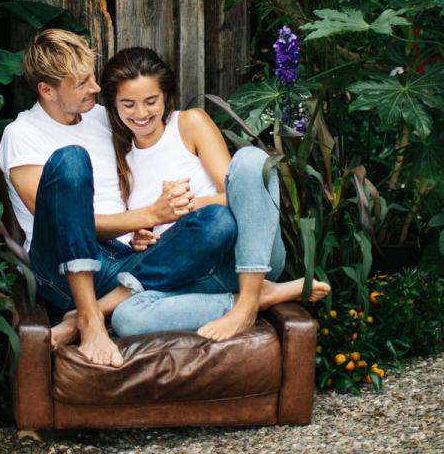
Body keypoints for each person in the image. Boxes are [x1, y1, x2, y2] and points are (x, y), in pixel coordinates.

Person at [0, 29, 238, 366]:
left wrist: (140, 232)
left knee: (216, 222)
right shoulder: (22, 135)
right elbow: (62, 222)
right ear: (46, 90)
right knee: (71, 159)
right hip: (59, 266)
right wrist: (151, 215)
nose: (96, 89)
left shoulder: (102, 117)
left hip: (123, 264)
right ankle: (90, 320)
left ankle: (97, 310)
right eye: (81, 83)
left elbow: (149, 152)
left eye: (92, 77)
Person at [99, 47, 329, 340]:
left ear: (166, 97)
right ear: (113, 104)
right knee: (126, 318)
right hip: (188, 275)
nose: (141, 113)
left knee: (249, 160)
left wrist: (185, 205)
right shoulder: (122, 159)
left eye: (150, 101)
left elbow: (240, 195)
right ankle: (260, 297)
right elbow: (153, 231)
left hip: (242, 256)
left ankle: (247, 302)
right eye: (128, 104)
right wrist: (140, 236)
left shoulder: (189, 124)